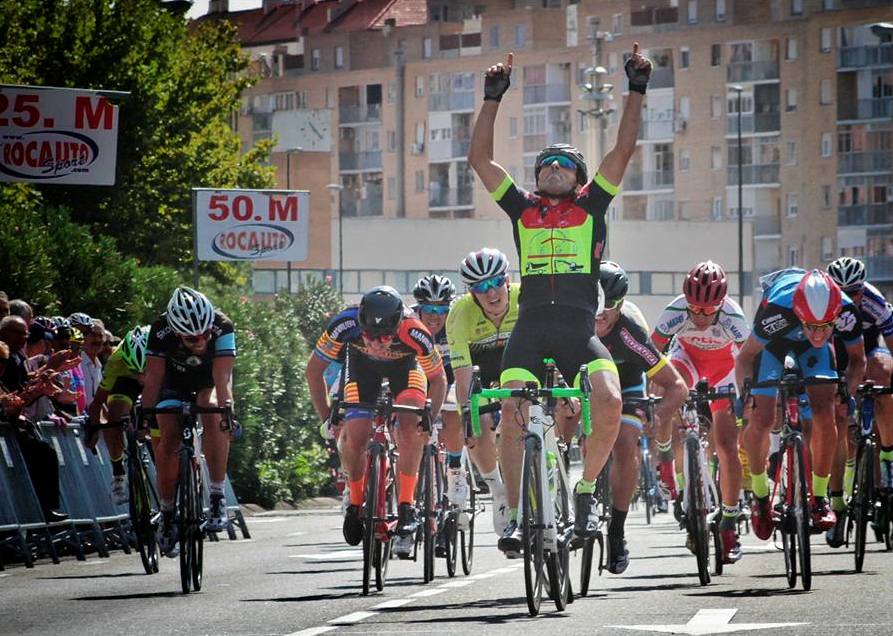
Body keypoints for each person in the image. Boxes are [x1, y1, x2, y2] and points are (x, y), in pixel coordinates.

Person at [467, 44, 652, 554]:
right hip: (530, 329)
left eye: (563, 164)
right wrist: (491, 98)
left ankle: (587, 491)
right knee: (512, 413)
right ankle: (514, 515)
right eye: (545, 163)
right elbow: (479, 159)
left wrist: (636, 88)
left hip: (578, 329)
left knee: (610, 401)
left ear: (579, 178)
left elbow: (624, 149)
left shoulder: (593, 204)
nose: (552, 167)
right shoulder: (521, 209)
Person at [306, 286, 447, 557]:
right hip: (361, 370)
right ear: (360, 323)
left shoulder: (414, 331)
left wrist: (428, 418)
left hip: (406, 370)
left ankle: (406, 506)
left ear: (397, 325)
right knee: (355, 435)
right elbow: (314, 371)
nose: (376, 343)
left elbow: (438, 380)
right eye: (369, 335)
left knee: (409, 428)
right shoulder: (344, 324)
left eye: (385, 337)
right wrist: (327, 417)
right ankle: (355, 505)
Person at [735, 269, 865, 540]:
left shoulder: (846, 310)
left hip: (812, 354)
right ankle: (760, 496)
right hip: (773, 347)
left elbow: (857, 361)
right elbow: (745, 358)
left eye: (825, 327)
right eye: (811, 326)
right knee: (762, 418)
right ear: (799, 313)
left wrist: (848, 394)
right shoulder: (778, 310)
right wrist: (745, 397)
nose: (818, 333)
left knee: (825, 412)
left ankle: (819, 497)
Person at [650, 261, 749, 563]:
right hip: (686, 361)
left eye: (709, 310)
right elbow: (651, 353)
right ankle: (666, 462)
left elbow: (748, 360)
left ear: (720, 305)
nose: (701, 315)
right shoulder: (675, 311)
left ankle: (730, 523)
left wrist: (746, 396)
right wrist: (652, 385)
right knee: (667, 394)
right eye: (695, 309)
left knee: (727, 445)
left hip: (724, 369)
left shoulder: (733, 316)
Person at [595, 262, 688, 572]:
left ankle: (617, 531)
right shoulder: (576, 323)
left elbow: (677, 386)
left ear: (620, 305)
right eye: (596, 303)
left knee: (624, 444)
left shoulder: (630, 332)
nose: (600, 313)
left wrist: (656, 416)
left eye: (609, 306)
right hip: (590, 383)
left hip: (628, 383)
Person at [142, 287, 236, 556]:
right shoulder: (160, 329)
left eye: (205, 333)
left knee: (213, 408)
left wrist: (227, 409)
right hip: (173, 381)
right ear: (177, 332)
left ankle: (217, 496)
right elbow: (154, 377)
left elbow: (223, 376)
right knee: (169, 440)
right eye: (192, 337)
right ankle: (168, 511)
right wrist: (146, 415)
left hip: (209, 380)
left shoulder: (222, 326)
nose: (202, 340)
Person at [446, 248, 519, 537]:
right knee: (478, 425)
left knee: (527, 414)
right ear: (471, 292)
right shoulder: (460, 314)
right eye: (480, 287)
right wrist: (468, 415)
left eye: (495, 283)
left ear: (508, 279)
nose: (490, 293)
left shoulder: (525, 299)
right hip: (481, 373)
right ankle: (498, 489)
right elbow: (463, 378)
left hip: (518, 363)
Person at [824, 257, 893, 546]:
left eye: (852, 292)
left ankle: (888, 457)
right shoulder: (822, 302)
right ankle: (836, 502)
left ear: (862, 290)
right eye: (839, 291)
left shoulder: (874, 302)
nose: (846, 297)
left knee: (884, 375)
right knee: (838, 422)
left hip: (869, 351)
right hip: (837, 356)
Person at [88, 326, 149, 505]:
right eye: (136, 371)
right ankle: (118, 474)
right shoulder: (116, 360)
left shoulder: (161, 350)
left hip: (157, 375)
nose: (140, 375)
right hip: (124, 380)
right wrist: (94, 428)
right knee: (113, 415)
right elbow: (97, 402)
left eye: (143, 370)